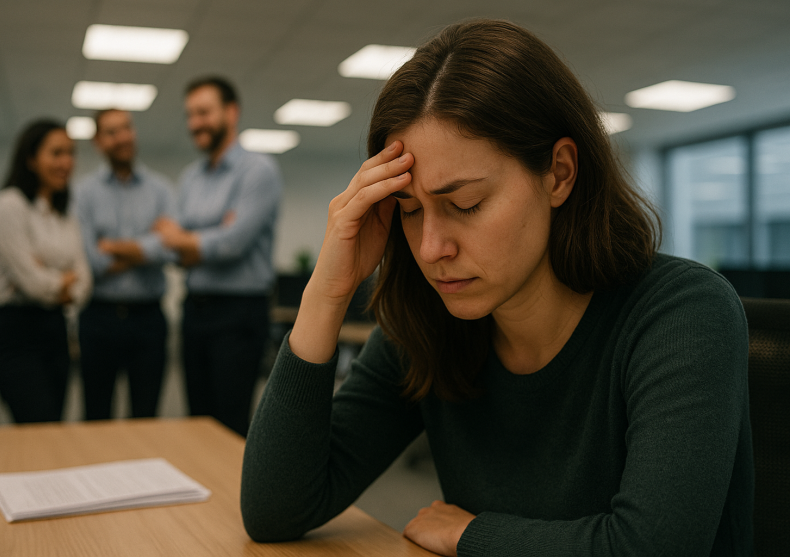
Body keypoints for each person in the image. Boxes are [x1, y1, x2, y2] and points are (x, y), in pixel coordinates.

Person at [240, 19, 753, 556]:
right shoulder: (427, 325)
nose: (433, 248)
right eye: (411, 211)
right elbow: (275, 510)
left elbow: (653, 547)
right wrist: (328, 291)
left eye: (466, 205)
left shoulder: (683, 314)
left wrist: (470, 534)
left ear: (558, 173)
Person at [154, 77, 283, 437]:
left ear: (231, 112)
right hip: (194, 309)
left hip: (239, 315)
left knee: (229, 425)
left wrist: (189, 239)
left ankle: (234, 496)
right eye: (190, 115)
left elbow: (232, 244)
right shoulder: (191, 178)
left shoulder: (258, 171)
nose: (196, 122)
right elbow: (176, 251)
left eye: (204, 112)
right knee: (197, 422)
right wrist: (203, 237)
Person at [0, 119, 92, 423]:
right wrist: (61, 278)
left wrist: (51, 277)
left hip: (55, 330)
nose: (66, 162)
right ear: (31, 159)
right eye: (56, 153)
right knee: (35, 422)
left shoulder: (64, 214)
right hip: (15, 331)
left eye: (70, 153)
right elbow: (32, 283)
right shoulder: (9, 206)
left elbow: (84, 282)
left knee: (54, 426)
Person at [74, 109, 176, 420]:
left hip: (149, 319)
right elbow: (89, 259)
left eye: (126, 129)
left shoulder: (162, 189)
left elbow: (171, 251)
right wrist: (147, 246)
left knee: (146, 415)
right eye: (112, 132)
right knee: (96, 415)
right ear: (97, 141)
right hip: (98, 318)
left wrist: (114, 247)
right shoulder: (82, 193)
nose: (122, 137)